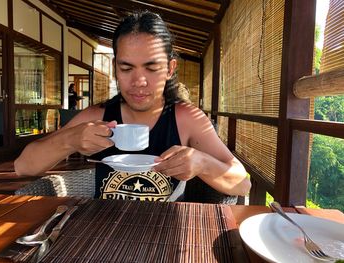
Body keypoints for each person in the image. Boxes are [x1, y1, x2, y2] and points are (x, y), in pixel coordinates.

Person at [14, 11, 251, 201]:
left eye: (151, 68)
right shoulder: (98, 115)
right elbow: (23, 167)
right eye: (127, 68)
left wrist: (202, 163)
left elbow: (242, 184)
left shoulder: (186, 118)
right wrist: (69, 140)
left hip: (167, 235)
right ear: (116, 67)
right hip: (102, 233)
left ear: (170, 69)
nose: (139, 82)